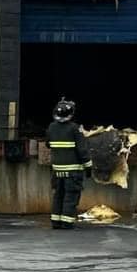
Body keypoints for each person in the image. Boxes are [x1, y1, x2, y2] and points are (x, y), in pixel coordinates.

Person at [47, 98, 92, 230]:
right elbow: (82, 150)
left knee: (58, 195)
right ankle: (67, 222)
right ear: (71, 114)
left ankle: (56, 221)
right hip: (73, 171)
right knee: (70, 196)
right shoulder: (74, 129)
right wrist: (88, 167)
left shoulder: (51, 127)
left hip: (57, 170)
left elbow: (48, 144)